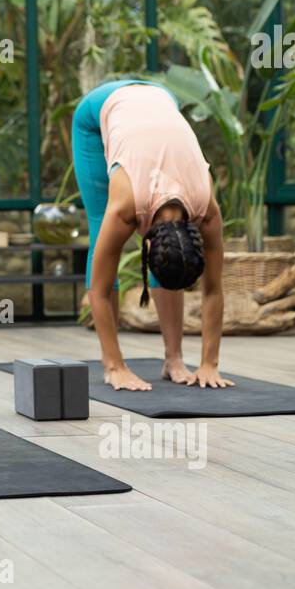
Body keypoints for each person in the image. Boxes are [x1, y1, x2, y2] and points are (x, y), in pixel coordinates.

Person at [73, 78, 233, 392]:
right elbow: (101, 289)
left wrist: (209, 364)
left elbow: (213, 289)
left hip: (163, 96)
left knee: (173, 258)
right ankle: (112, 362)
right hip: (99, 109)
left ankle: (174, 359)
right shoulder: (125, 205)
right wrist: (116, 367)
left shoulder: (207, 208)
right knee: (98, 226)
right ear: (145, 245)